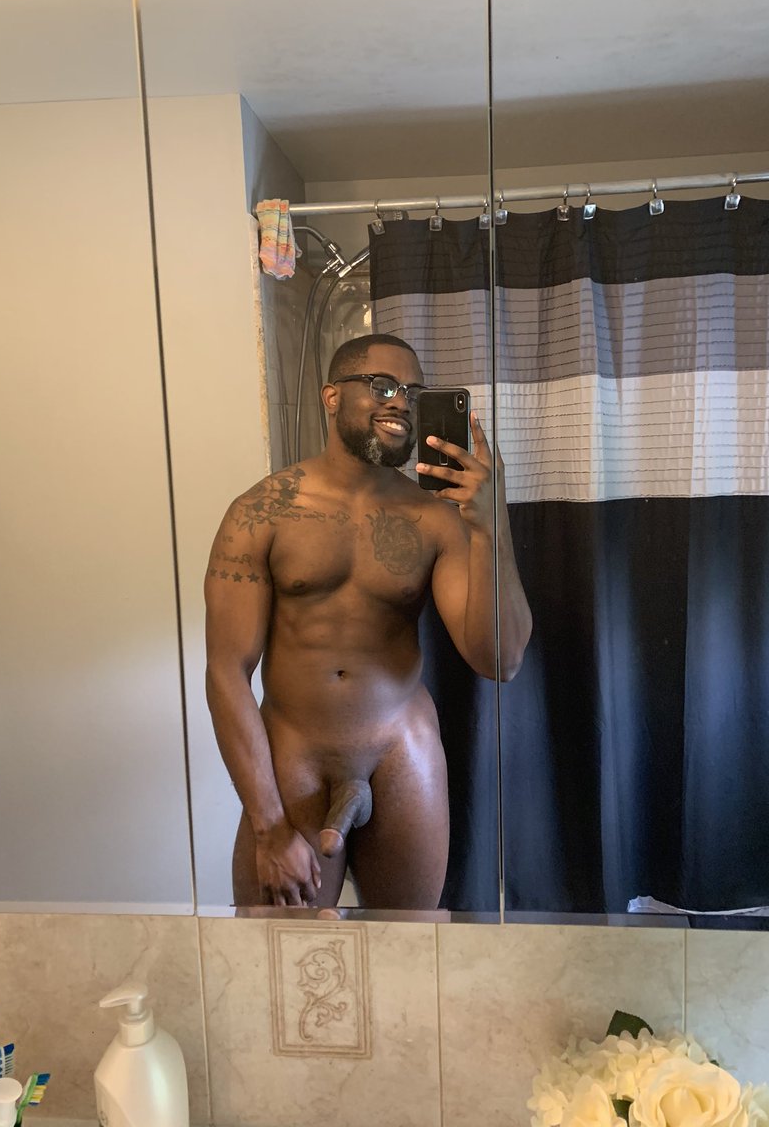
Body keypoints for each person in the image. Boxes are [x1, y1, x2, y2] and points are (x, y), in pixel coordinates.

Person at [204, 333, 531, 909]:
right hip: (295, 752)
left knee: (407, 951)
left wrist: (492, 524)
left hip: (401, 749)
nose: (401, 401)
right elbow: (226, 672)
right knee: (278, 953)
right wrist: (270, 827)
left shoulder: (435, 518)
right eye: (382, 386)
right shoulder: (262, 512)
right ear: (332, 397)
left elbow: (499, 660)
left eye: (413, 392)